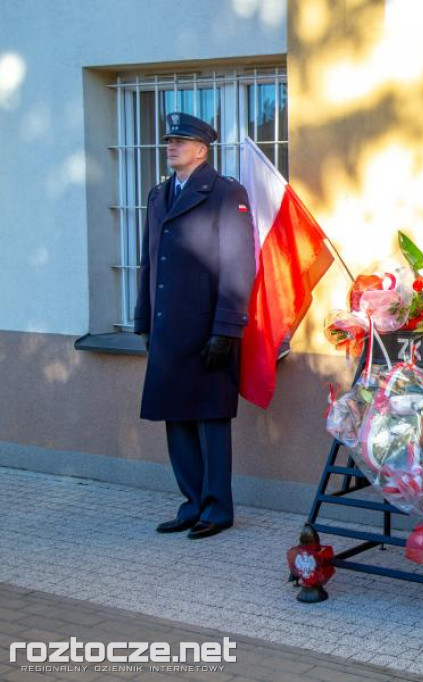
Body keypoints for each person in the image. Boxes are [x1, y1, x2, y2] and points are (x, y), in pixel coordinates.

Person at [134, 113, 256, 540]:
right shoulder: (157, 195)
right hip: (169, 327)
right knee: (176, 417)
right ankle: (191, 502)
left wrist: (227, 329)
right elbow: (150, 262)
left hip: (207, 327)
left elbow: (239, 265)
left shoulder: (225, 193)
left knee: (209, 419)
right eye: (169, 140)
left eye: (180, 141)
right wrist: (143, 319)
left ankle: (217, 509)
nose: (171, 147)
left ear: (202, 150)